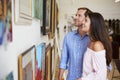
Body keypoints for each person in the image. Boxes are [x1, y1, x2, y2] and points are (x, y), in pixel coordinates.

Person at [59, 7, 92, 80]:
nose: (75, 17)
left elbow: (106, 67)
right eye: (76, 15)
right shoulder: (68, 37)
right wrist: (59, 77)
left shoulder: (92, 39)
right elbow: (63, 61)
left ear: (87, 19)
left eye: (79, 15)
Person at [77, 12, 112, 80]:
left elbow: (101, 76)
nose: (83, 22)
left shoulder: (97, 45)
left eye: (86, 20)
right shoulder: (91, 42)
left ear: (93, 25)